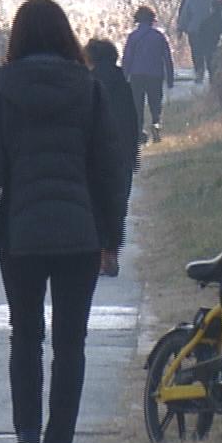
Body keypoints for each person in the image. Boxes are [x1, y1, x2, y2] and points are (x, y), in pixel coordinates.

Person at [0, 0, 126, 443]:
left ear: (17, 36)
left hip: (21, 235)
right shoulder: (89, 89)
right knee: (71, 343)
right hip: (79, 235)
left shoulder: (1, 90)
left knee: (26, 338)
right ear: (65, 35)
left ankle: (25, 441)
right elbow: (109, 170)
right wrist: (110, 238)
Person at [82, 37, 141, 278]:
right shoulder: (122, 83)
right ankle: (111, 254)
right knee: (117, 205)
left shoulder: (89, 83)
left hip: (95, 156)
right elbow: (132, 122)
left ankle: (98, 255)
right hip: (121, 156)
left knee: (94, 205)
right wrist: (133, 153)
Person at [122, 6, 174, 144]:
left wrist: (124, 76)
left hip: (137, 75)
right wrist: (170, 77)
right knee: (155, 103)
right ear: (152, 19)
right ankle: (156, 125)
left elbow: (127, 58)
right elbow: (167, 58)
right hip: (155, 75)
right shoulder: (159, 36)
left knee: (137, 104)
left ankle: (139, 131)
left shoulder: (132, 37)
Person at [175, 0, 221, 84]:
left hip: (211, 32)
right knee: (197, 53)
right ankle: (199, 71)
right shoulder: (191, 0)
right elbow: (185, 15)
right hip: (195, 31)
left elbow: (220, 16)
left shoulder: (214, 0)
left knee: (211, 54)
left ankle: (212, 74)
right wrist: (180, 28)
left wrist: (221, 29)